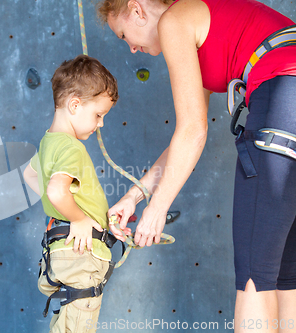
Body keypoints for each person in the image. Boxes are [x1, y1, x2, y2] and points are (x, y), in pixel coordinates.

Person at [96, 0, 296, 331]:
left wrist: (157, 209)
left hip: (283, 98)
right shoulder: (202, 22)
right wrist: (135, 196)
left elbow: (193, 132)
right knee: (286, 277)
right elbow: (186, 139)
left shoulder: (174, 21)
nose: (131, 48)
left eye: (123, 35)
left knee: (254, 277)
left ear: (137, 9)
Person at [23, 54, 119, 333]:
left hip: (63, 252)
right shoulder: (71, 147)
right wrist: (77, 219)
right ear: (74, 105)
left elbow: (29, 175)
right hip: (82, 253)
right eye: (98, 115)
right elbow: (55, 191)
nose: (100, 124)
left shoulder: (48, 143)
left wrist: (66, 211)